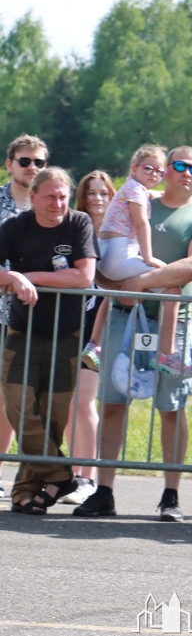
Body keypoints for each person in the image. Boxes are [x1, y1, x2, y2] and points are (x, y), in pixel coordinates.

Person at [74, 146, 192, 521]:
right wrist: (123, 287)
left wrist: (138, 282)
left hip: (174, 325)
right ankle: (103, 491)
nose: (187, 173)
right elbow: (105, 257)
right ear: (164, 169)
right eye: (179, 165)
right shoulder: (138, 198)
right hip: (124, 318)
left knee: (171, 408)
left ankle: (170, 496)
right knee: (111, 404)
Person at [0, 167, 97, 514]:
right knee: (18, 405)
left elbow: (84, 275)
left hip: (67, 334)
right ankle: (62, 476)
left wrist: (27, 277)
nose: (58, 203)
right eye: (51, 196)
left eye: (63, 196)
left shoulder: (79, 223)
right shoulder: (14, 227)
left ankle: (28, 494)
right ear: (34, 197)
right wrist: (9, 275)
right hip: (22, 333)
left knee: (53, 415)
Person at [95, 145, 191, 378]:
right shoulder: (135, 190)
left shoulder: (133, 188)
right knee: (173, 288)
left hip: (110, 255)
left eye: (160, 172)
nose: (154, 175)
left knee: (144, 288)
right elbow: (141, 223)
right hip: (119, 255)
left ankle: (94, 343)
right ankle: (167, 353)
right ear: (134, 168)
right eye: (148, 168)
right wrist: (148, 257)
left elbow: (154, 194)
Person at [59, 171, 117, 506]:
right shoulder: (76, 229)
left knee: (84, 402)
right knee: (69, 404)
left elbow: (111, 286)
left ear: (113, 197)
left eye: (103, 193)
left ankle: (88, 477)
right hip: (72, 325)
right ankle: (73, 473)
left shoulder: (116, 234)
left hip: (101, 329)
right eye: (90, 193)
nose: (97, 198)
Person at [0, 134, 49, 497]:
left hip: (27, 318)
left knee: (10, 399)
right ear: (10, 164)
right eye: (25, 161)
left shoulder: (47, 206)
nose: (32, 168)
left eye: (39, 163)